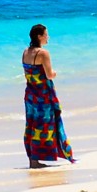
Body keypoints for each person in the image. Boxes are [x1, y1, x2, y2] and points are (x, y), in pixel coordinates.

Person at [22, 24, 73, 167]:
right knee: (44, 125)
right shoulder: (43, 53)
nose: (48, 37)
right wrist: (55, 73)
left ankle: (33, 159)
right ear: (39, 36)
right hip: (43, 95)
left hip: (30, 95)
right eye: (46, 34)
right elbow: (49, 75)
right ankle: (39, 159)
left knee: (32, 124)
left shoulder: (25, 52)